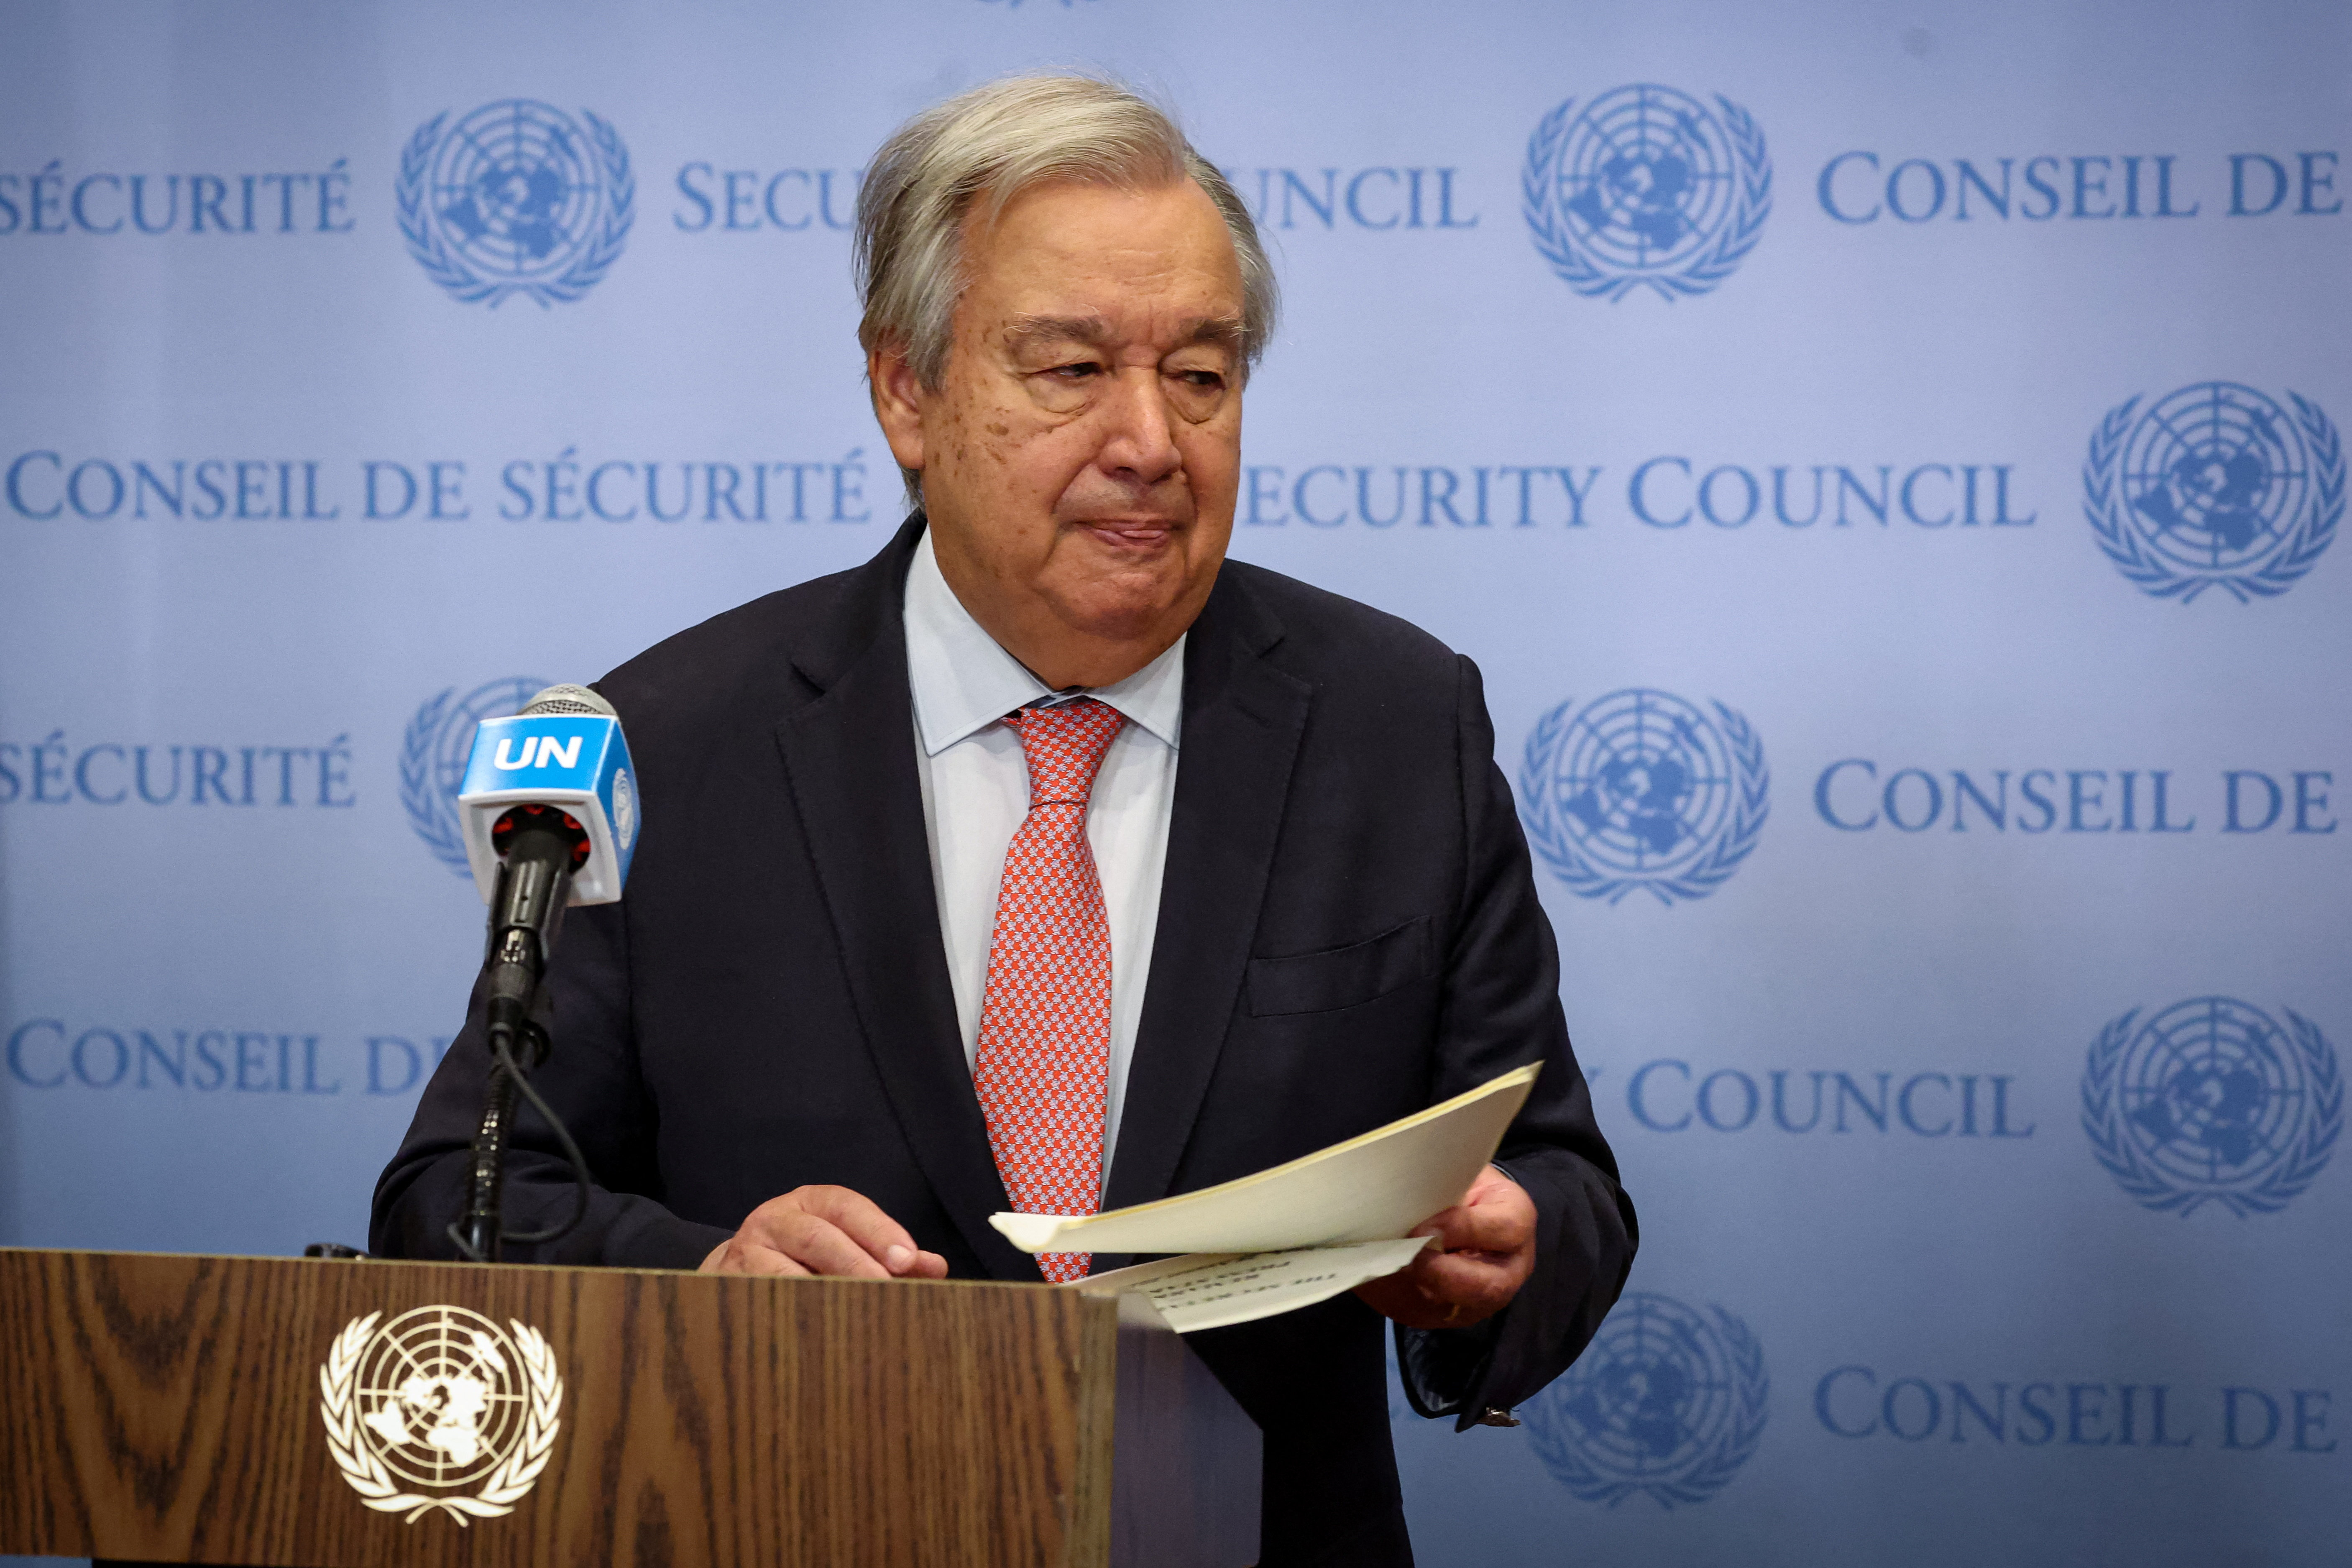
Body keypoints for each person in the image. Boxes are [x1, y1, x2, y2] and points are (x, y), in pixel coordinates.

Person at [373, 73, 1635, 1566]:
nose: (1151, 442)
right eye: (1071, 369)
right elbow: (461, 1200)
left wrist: (1512, 1255)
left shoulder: (1396, 725)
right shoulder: (668, 743)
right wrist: (709, 1267)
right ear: (906, 390)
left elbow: (1564, 1185)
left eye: (1202, 377)